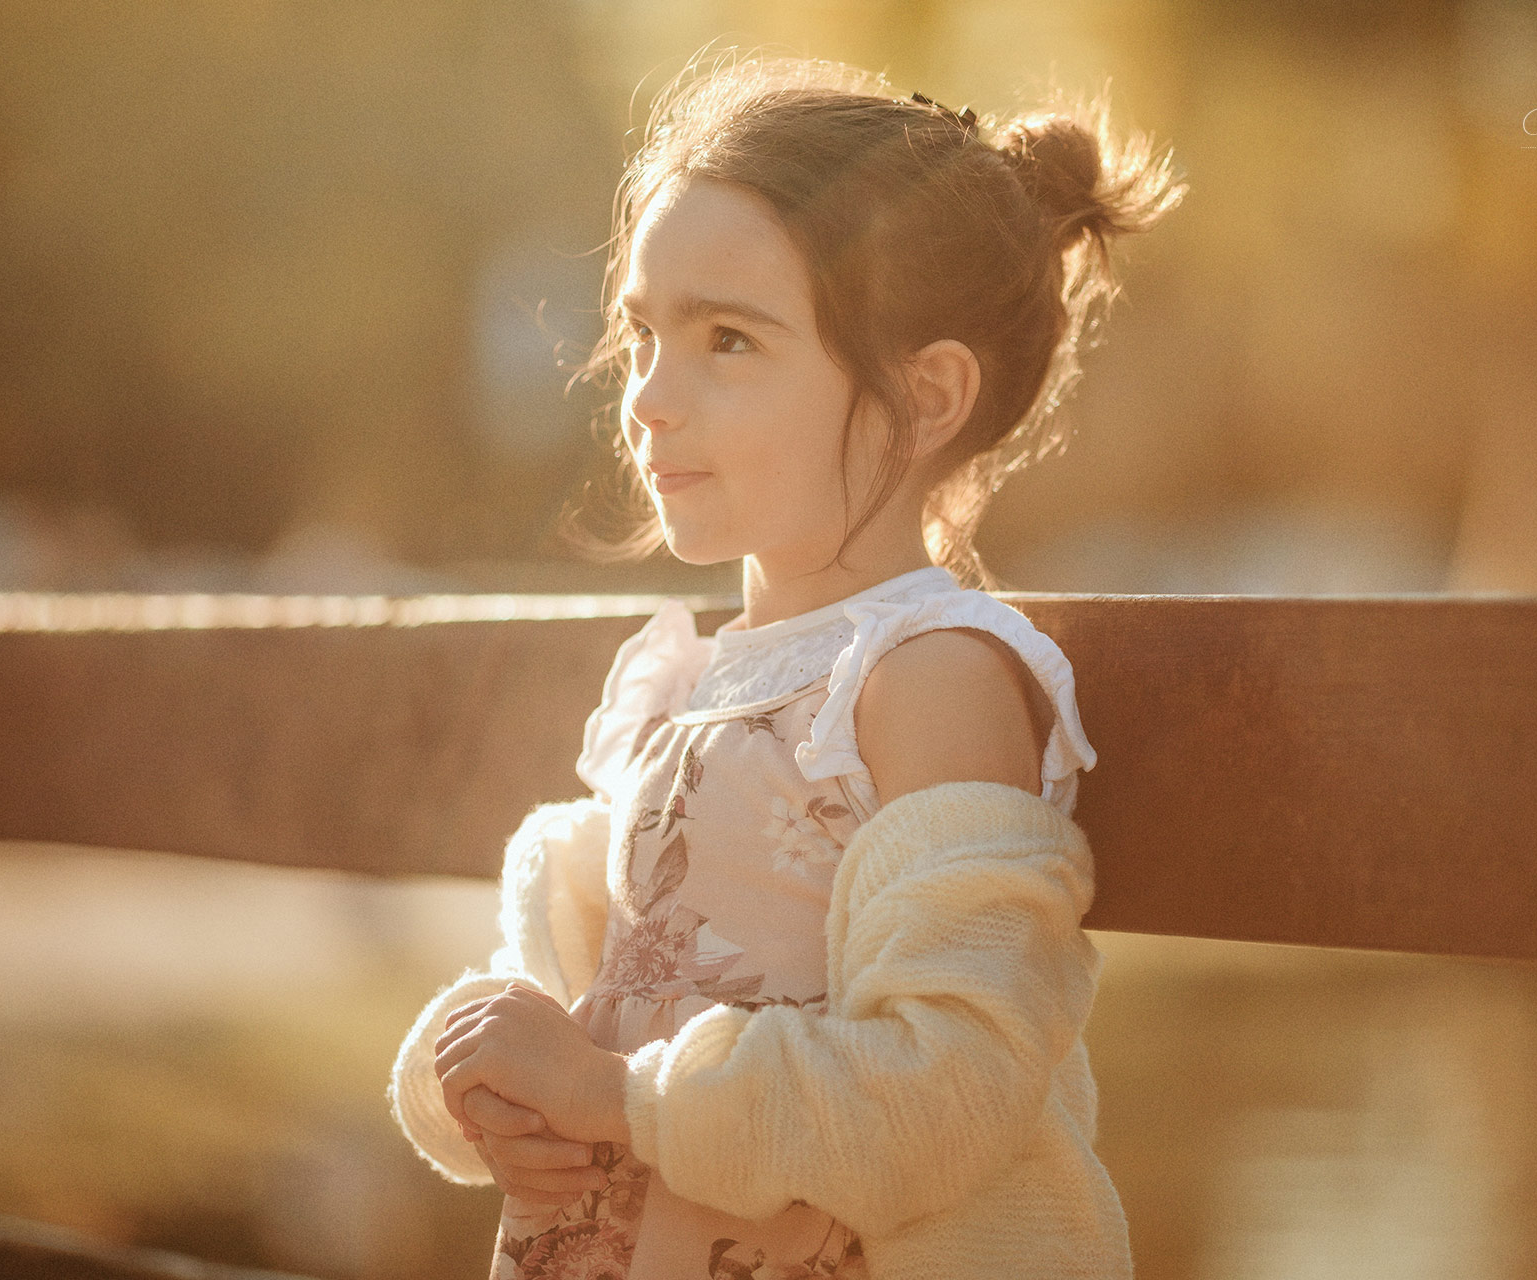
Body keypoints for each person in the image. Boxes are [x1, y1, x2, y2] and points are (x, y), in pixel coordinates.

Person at [388, 47, 1185, 1280]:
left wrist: (616, 1097)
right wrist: (486, 1080)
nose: (648, 395)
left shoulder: (928, 680)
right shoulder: (692, 681)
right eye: (643, 332)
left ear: (925, 396)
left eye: (729, 341)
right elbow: (609, 992)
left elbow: (951, 1084)